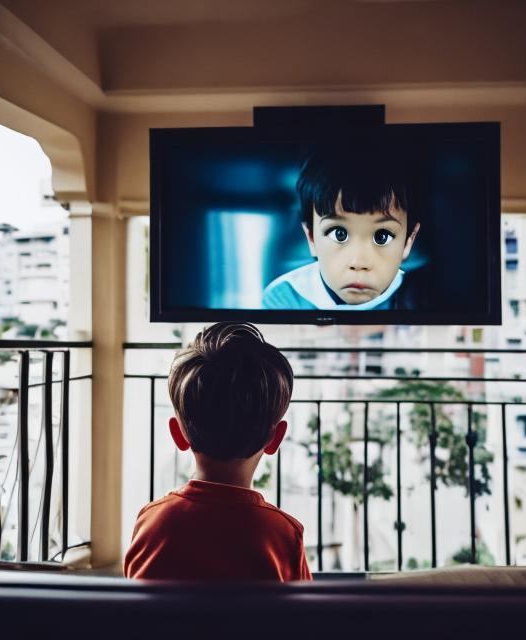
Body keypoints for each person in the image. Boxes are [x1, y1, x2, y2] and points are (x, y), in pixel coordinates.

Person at [124, 322, 312, 581]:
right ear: (275, 439)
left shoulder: (153, 522)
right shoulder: (282, 534)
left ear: (178, 434)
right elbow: (300, 619)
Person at [263, 141, 423, 310]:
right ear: (311, 239)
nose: (358, 262)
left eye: (381, 236)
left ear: (408, 242)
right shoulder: (285, 297)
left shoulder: (416, 299)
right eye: (339, 234)